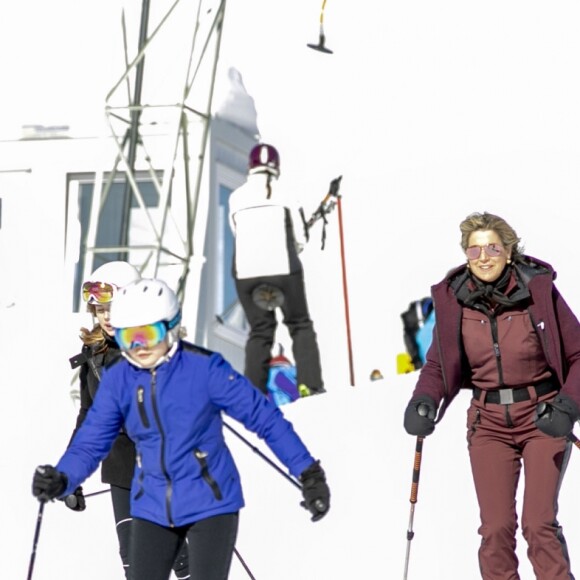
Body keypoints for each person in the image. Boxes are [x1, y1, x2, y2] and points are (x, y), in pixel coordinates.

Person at [33, 278, 330, 580]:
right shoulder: (119, 379)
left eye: (148, 334)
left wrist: (309, 473)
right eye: (128, 337)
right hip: (153, 502)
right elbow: (91, 440)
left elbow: (265, 419)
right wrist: (63, 478)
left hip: (210, 501)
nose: (139, 347)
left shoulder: (205, 369)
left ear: (170, 327)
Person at [403, 211, 580, 580]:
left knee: (538, 524)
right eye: (474, 249)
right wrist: (424, 400)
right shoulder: (455, 301)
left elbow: (579, 356)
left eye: (492, 247)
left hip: (542, 419)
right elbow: (437, 365)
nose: (483, 257)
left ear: (509, 251)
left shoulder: (538, 292)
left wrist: (568, 404)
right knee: (496, 529)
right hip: (488, 425)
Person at [67, 261, 190, 579]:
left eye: (113, 308)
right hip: (122, 468)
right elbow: (88, 415)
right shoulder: (93, 354)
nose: (106, 317)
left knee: (177, 555)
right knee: (134, 558)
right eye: (100, 309)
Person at [228, 142, 325, 396]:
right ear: (276, 167)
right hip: (283, 269)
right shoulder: (286, 194)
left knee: (260, 331)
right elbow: (301, 237)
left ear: (250, 167)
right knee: (299, 324)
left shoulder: (235, 197)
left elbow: (236, 231)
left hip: (245, 273)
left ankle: (253, 393)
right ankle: (310, 386)